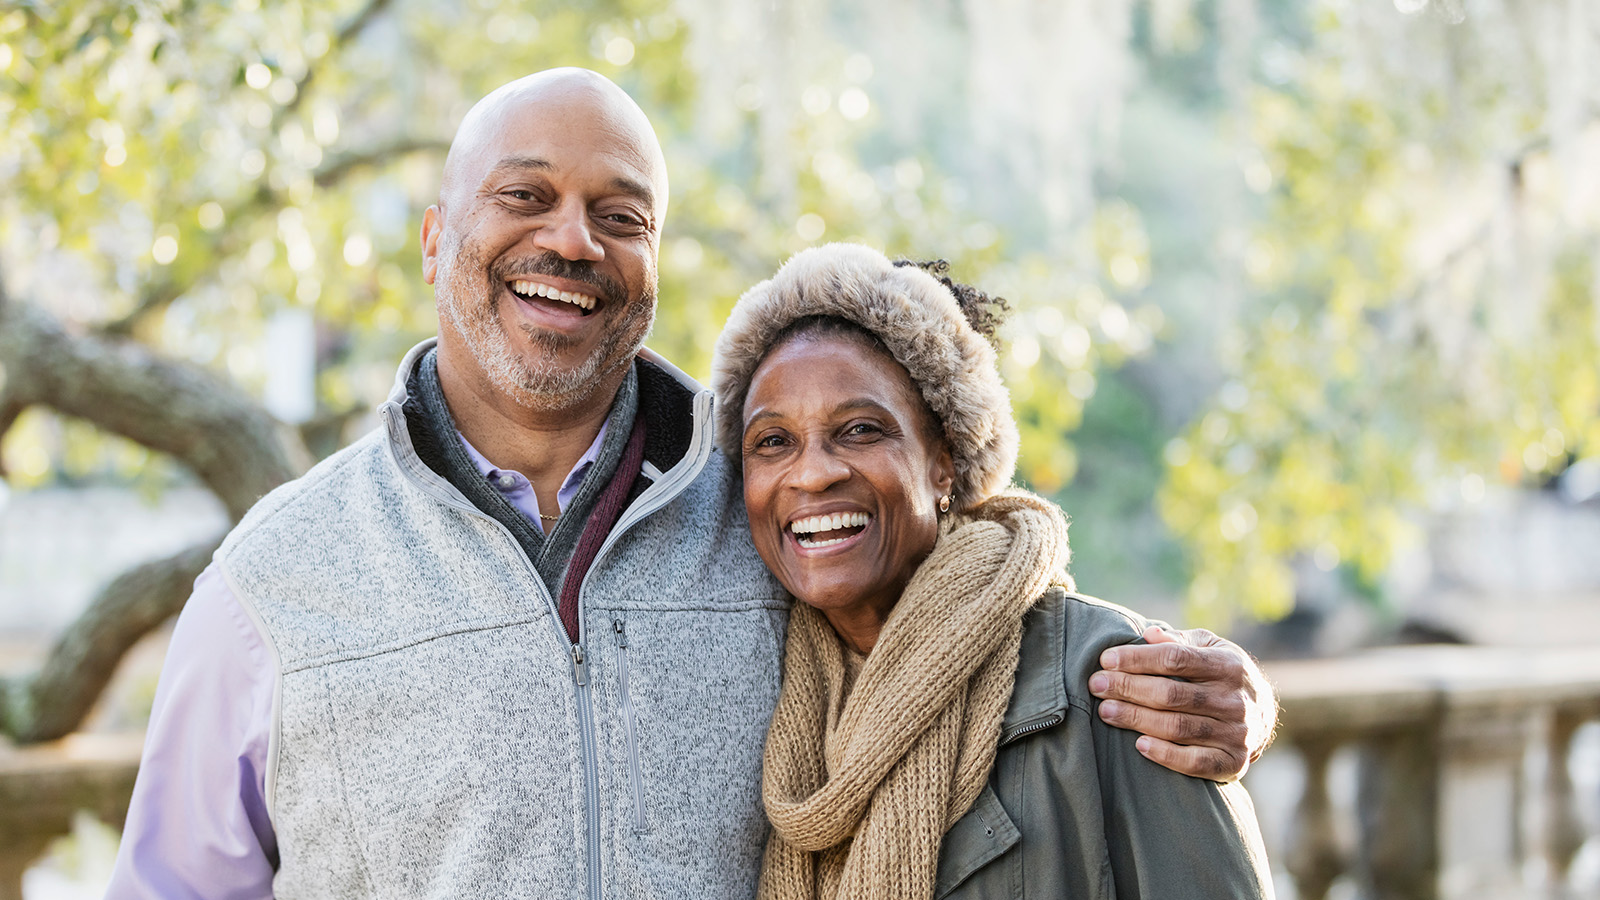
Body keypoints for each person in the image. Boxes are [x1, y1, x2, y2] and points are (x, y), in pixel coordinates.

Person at [105, 70, 1274, 899]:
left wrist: (1235, 699)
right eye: (525, 196)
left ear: (653, 263)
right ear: (432, 239)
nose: (571, 242)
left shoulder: (765, 500)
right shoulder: (277, 578)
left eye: (621, 215)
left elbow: (975, 603)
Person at [711, 243, 1274, 899]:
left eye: (861, 429)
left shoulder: (1111, 685)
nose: (812, 473)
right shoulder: (745, 681)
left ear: (943, 461)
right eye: (772, 441)